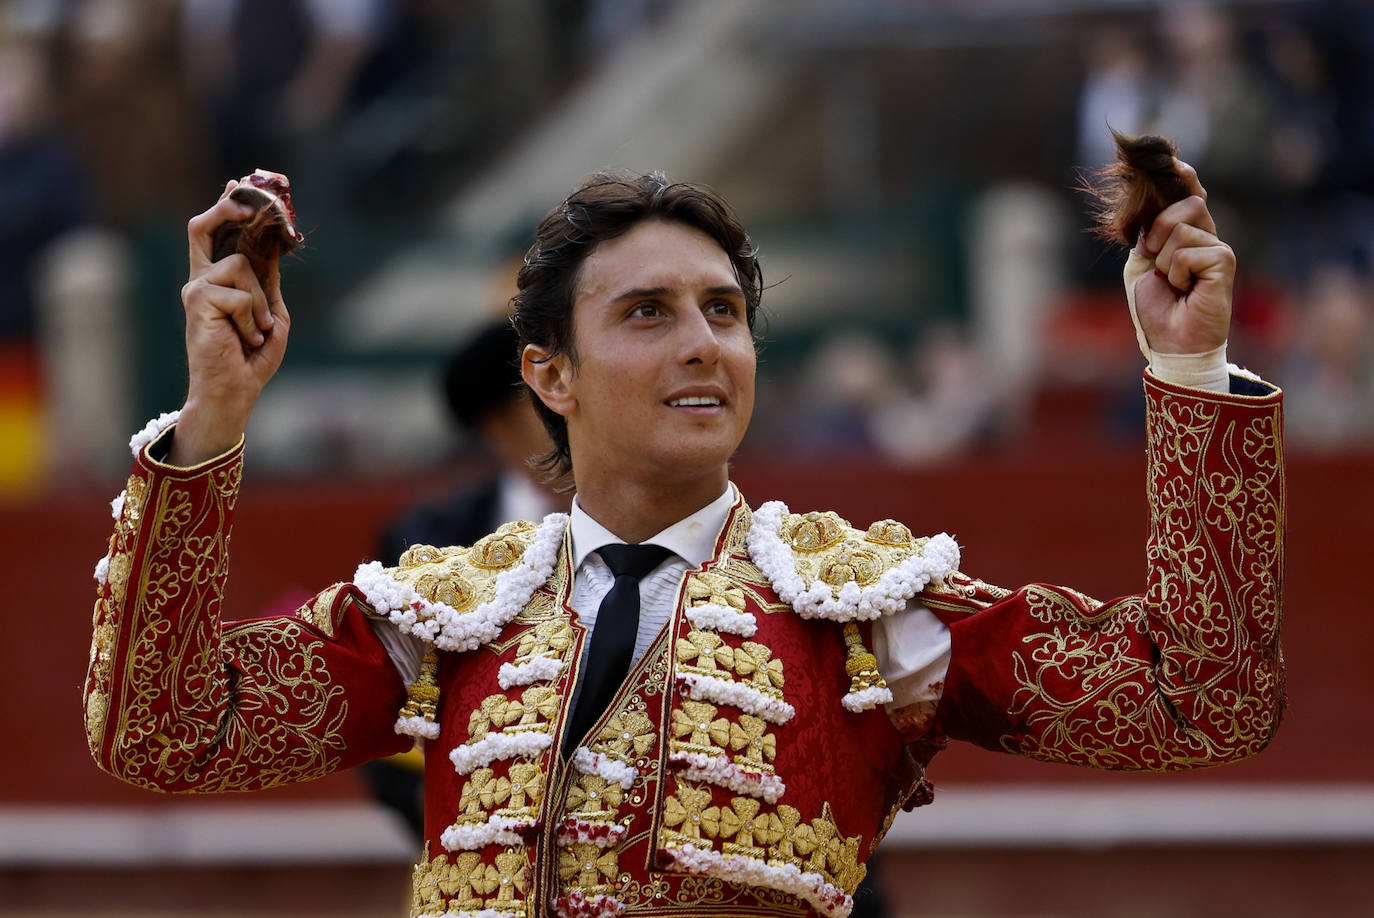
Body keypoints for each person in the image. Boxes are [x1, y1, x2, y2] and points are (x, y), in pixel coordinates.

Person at [84, 162, 1284, 918]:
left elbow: (1198, 696)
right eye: (648, 314)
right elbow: (162, 728)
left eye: (724, 312)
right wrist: (213, 422)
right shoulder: (449, 615)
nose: (703, 343)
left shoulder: (864, 609)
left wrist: (1185, 368)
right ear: (548, 373)